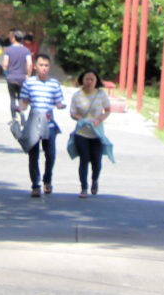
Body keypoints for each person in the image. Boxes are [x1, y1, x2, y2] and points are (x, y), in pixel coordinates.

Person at [17, 53, 65, 197]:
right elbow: (24, 102)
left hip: (48, 123)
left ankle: (47, 180)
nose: (44, 68)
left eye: (46, 65)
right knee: (33, 155)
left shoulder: (54, 84)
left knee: (50, 155)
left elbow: (59, 102)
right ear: (35, 66)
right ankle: (35, 185)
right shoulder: (29, 83)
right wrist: (19, 108)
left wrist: (61, 105)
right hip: (34, 123)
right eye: (41, 65)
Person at [69, 68, 112, 197]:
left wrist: (100, 119)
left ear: (96, 81)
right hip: (82, 133)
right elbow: (72, 112)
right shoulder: (77, 96)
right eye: (86, 79)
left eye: (92, 79)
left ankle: (94, 180)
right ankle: (83, 187)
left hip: (96, 133)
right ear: (82, 80)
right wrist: (80, 119)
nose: (89, 82)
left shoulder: (101, 94)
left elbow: (108, 110)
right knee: (84, 159)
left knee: (97, 161)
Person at [1, 29, 32, 118]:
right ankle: (22, 114)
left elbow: (5, 64)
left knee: (12, 98)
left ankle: (14, 118)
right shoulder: (26, 50)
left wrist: (6, 74)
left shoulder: (8, 50)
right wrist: (28, 75)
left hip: (11, 77)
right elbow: (29, 64)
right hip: (22, 77)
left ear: (14, 38)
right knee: (20, 97)